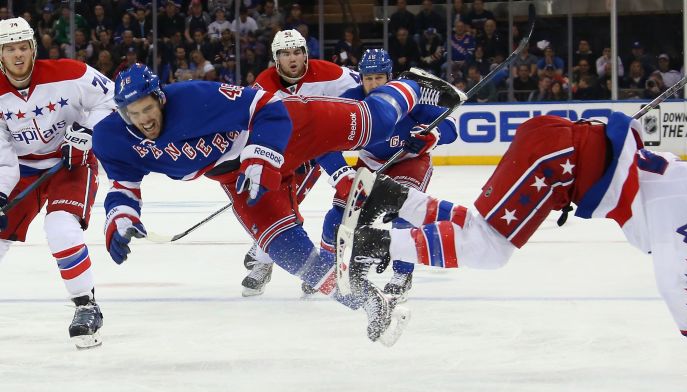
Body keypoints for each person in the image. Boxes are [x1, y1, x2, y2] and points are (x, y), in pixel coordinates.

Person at [339, 111, 687, 381]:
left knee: (480, 229)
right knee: (487, 248)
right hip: (557, 162)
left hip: (555, 153)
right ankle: (377, 242)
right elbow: (675, 275)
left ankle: (393, 196)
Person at [91, 63, 464, 343]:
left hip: (287, 127)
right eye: (132, 114)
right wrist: (121, 218)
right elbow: (124, 183)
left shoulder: (194, 97)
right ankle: (372, 305)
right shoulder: (112, 138)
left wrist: (260, 157)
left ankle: (411, 85)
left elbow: (267, 107)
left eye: (146, 109)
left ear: (159, 97)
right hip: (236, 177)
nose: (143, 121)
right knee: (290, 254)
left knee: (376, 123)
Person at [0, 18, 115, 348]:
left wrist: (87, 133)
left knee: (61, 226)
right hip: (22, 169)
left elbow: (111, 100)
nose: (18, 55)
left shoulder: (70, 72)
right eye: (10, 49)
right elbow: (2, 153)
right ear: (0, 55)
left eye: (23, 47)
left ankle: (86, 305)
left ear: (33, 48)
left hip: (71, 163)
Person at [306, 49, 457, 299]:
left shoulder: (409, 98)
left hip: (410, 161)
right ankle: (324, 268)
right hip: (371, 162)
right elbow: (323, 142)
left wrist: (432, 135)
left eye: (379, 78)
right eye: (368, 78)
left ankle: (402, 273)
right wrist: (341, 174)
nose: (373, 84)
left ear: (390, 78)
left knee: (404, 210)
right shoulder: (351, 102)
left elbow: (450, 126)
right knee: (340, 212)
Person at [239, 29, 362, 297]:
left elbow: (367, 86)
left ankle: (264, 260)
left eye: (297, 52)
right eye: (285, 54)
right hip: (278, 157)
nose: (292, 59)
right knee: (267, 206)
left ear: (305, 54)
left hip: (314, 153)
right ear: (276, 58)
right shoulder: (263, 84)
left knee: (280, 212)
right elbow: (247, 122)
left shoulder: (329, 73)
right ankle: (266, 255)